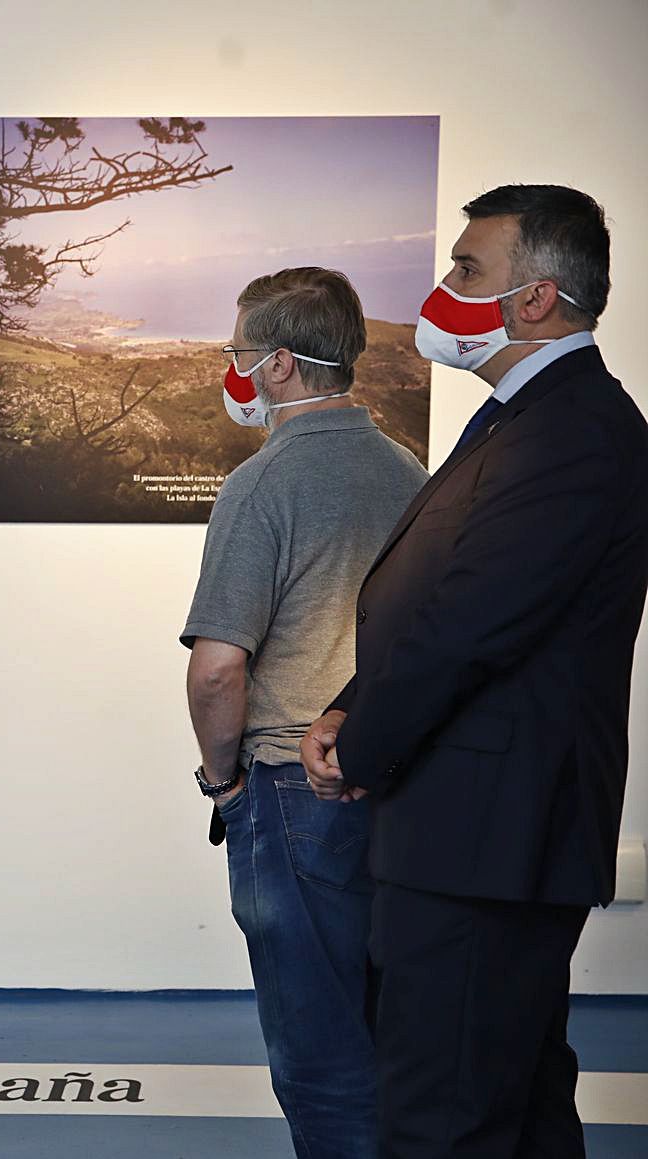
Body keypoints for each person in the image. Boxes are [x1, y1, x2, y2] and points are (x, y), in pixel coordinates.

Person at [301, 185, 648, 1159]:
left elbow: (474, 624)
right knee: (511, 1098)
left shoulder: (572, 429)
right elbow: (448, 596)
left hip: (489, 830)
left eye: (467, 268)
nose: (445, 288)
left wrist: (363, 743)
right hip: (475, 823)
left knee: (444, 1116)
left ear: (533, 299)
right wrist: (350, 704)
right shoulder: (523, 416)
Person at [181, 266, 428, 1159]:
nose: (235, 370)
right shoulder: (410, 471)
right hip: (400, 785)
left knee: (317, 1052)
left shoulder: (261, 485)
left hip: (291, 794)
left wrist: (225, 783)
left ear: (280, 364)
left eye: (240, 353)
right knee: (390, 1033)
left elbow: (217, 671)